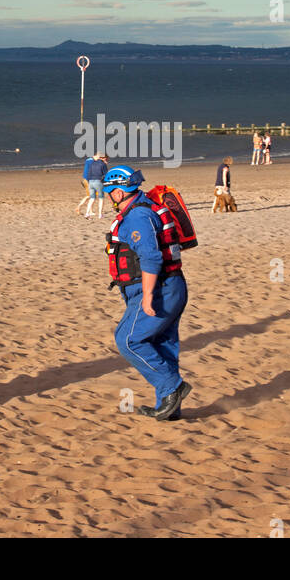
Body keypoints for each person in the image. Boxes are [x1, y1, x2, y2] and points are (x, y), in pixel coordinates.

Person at [102, 166, 191, 420]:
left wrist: (148, 296)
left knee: (128, 340)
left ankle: (173, 387)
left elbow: (151, 258)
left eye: (109, 192)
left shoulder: (137, 217)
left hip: (159, 288)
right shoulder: (146, 207)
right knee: (163, 344)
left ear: (118, 193)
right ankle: (170, 408)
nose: (108, 197)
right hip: (172, 286)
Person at [84, 153, 109, 219]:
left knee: (92, 198)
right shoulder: (103, 164)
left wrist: (89, 181)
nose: (107, 160)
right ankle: (100, 214)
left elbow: (89, 174)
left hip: (91, 182)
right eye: (106, 158)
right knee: (101, 198)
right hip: (98, 181)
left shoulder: (92, 163)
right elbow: (106, 174)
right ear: (103, 158)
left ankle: (87, 213)